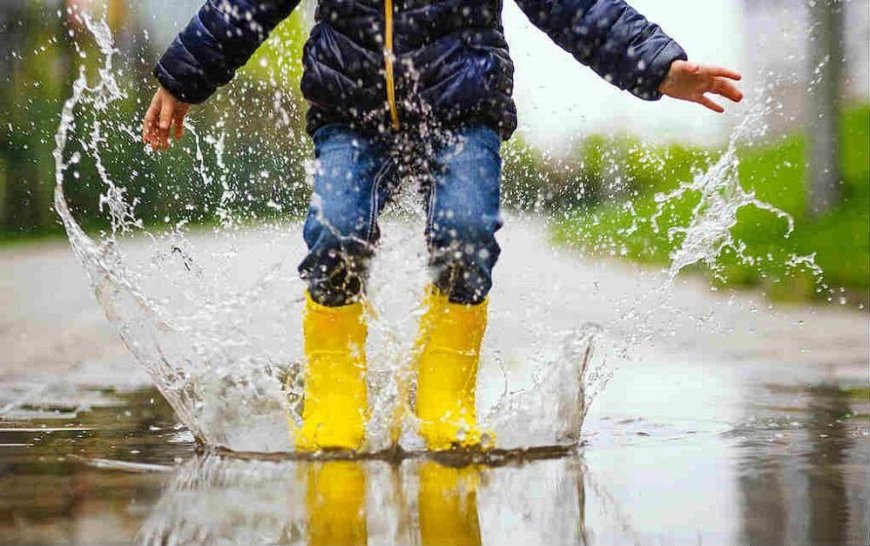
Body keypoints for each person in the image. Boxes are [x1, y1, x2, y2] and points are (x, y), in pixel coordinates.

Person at [142, 0, 743, 452]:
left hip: (462, 112)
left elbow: (574, 7)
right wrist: (183, 77)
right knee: (337, 234)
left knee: (466, 233)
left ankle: (445, 395)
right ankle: (334, 395)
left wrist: (658, 65)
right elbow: (248, 5)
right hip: (350, 114)